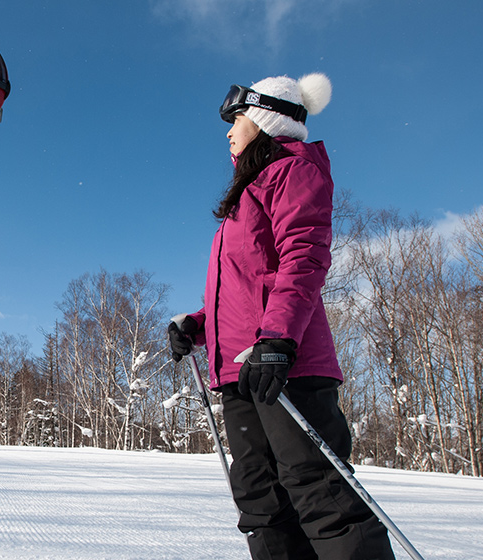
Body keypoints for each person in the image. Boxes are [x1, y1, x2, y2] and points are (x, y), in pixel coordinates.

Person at [166, 73, 395, 560]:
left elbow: (303, 257)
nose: (228, 132)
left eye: (238, 120)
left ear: (267, 121)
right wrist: (199, 324)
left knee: (319, 493)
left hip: (283, 363)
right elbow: (247, 288)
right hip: (238, 372)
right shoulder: (243, 197)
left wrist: (278, 340)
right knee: (260, 504)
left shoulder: (292, 171)